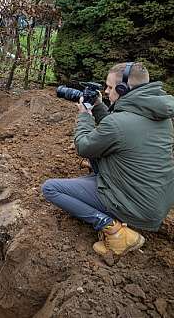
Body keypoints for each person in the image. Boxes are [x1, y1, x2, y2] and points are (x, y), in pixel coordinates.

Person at [42, 62, 174, 256]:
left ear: (123, 89)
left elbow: (85, 147)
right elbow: (118, 131)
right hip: (154, 203)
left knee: (51, 189)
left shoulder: (118, 123)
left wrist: (85, 116)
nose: (106, 91)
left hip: (134, 207)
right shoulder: (161, 118)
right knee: (90, 171)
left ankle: (115, 231)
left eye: (110, 87)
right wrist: (98, 107)